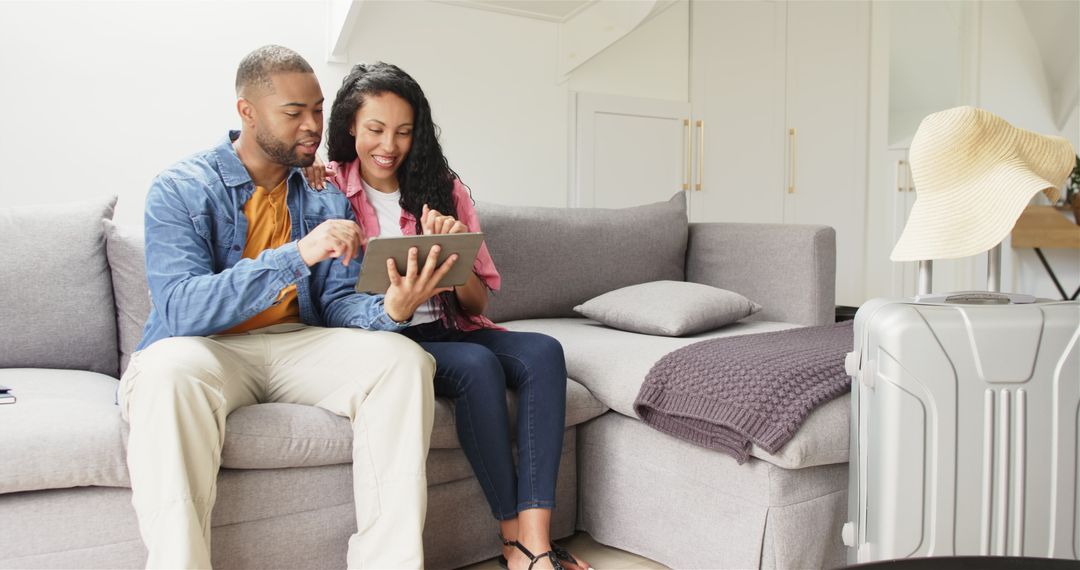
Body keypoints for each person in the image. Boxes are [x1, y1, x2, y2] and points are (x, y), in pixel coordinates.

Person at [119, 46, 458, 569]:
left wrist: (390, 309)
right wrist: (297, 253)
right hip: (206, 348)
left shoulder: (324, 195)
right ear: (246, 112)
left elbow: (341, 302)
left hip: (296, 345)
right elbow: (182, 309)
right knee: (167, 374)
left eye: (318, 110)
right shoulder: (181, 188)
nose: (312, 127)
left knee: (403, 360)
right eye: (294, 113)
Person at [318, 61, 592, 570]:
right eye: (375, 129)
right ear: (350, 125)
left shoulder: (443, 187)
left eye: (403, 131)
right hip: (386, 341)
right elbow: (329, 298)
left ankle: (536, 538)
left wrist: (450, 256)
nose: (388, 145)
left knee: (543, 351)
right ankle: (515, 541)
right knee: (476, 365)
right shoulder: (324, 187)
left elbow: (476, 304)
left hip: (449, 326)